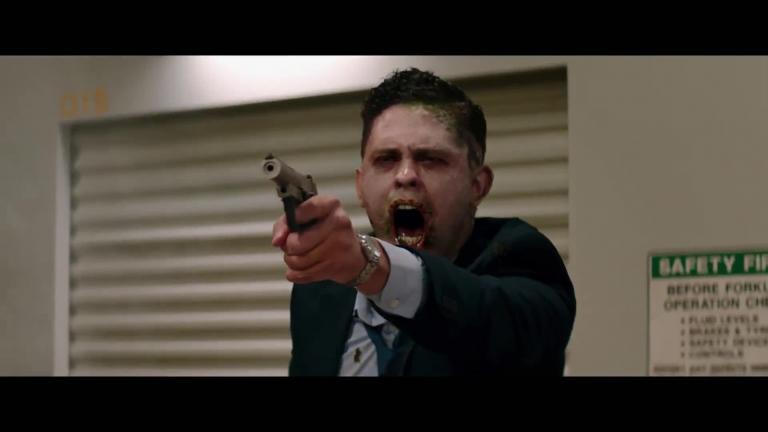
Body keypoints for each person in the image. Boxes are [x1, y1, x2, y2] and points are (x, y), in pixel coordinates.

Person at [271, 67, 575, 376]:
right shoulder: (322, 288)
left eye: (430, 159)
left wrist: (369, 266)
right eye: (387, 159)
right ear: (360, 186)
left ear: (477, 185)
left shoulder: (521, 258)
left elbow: (496, 323)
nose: (406, 176)